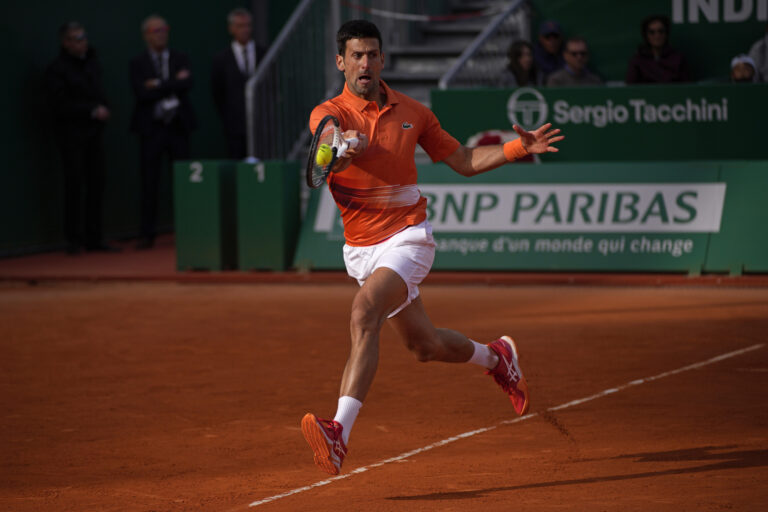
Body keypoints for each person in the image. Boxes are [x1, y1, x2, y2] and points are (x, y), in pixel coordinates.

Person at [300, 20, 564, 476]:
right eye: (356, 56)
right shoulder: (331, 113)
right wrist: (341, 150)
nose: (365, 63)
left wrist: (518, 148)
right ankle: (496, 356)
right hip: (361, 248)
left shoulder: (414, 113)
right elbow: (324, 151)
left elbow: (462, 160)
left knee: (364, 314)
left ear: (383, 60)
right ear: (341, 62)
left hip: (407, 235)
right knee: (424, 345)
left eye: (372, 54)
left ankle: (338, 433)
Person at [44, 22, 119, 254]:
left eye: (84, 37)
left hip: (94, 134)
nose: (82, 41)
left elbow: (99, 92)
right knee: (74, 185)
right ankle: (74, 240)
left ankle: (94, 238)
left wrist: (102, 108)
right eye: (77, 38)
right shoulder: (57, 69)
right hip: (71, 136)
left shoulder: (93, 64)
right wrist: (90, 110)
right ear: (65, 42)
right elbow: (59, 104)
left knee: (97, 184)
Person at [129, 15, 196, 249]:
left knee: (184, 182)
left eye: (164, 29)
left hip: (178, 127)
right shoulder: (137, 63)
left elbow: (186, 85)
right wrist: (171, 83)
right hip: (151, 129)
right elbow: (142, 94)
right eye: (156, 30)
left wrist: (157, 84)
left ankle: (189, 231)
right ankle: (147, 235)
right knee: (150, 182)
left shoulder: (181, 57)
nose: (161, 33)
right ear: (146, 34)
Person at [211, 8, 266, 159]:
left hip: (261, 124)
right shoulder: (220, 59)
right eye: (240, 26)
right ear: (231, 29)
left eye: (248, 25)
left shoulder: (264, 54)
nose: (245, 30)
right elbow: (218, 93)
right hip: (235, 126)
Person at [625, 15, 690, 84]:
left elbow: (686, 86)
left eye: (661, 31)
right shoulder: (637, 60)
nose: (657, 36)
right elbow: (631, 88)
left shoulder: (678, 58)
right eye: (652, 32)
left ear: (666, 33)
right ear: (646, 35)